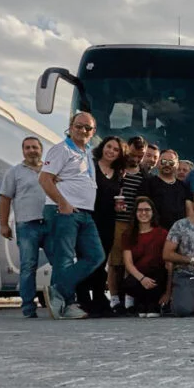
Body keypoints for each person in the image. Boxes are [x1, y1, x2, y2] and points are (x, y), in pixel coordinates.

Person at [38, 113, 107, 320]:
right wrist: (63, 203)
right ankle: (66, 305)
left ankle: (58, 290)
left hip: (84, 212)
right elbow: (45, 179)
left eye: (88, 128)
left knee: (96, 256)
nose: (83, 130)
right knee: (64, 259)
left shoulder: (88, 153)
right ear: (70, 127)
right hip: (64, 211)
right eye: (79, 126)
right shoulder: (61, 149)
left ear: (93, 132)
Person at [0, 135, 48, 318]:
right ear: (23, 151)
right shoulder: (14, 172)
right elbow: (5, 198)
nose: (31, 150)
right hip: (27, 225)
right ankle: (28, 307)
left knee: (60, 263)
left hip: (51, 224)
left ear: (41, 150)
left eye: (35, 147)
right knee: (28, 266)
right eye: (27, 147)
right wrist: (4, 224)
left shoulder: (50, 170)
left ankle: (61, 301)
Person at [77, 135, 123, 317]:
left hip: (108, 221)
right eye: (109, 147)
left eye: (116, 149)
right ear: (102, 147)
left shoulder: (118, 173)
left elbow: (117, 196)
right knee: (87, 258)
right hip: (89, 219)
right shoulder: (90, 166)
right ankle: (83, 299)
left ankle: (98, 298)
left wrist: (119, 206)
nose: (111, 151)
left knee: (102, 260)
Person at [108, 135, 148, 315]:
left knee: (133, 262)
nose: (136, 159)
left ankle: (129, 301)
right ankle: (115, 300)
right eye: (133, 155)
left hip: (135, 224)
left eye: (140, 156)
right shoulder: (116, 169)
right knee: (116, 262)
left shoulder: (144, 174)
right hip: (117, 222)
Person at [120, 196, 168, 317]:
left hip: (157, 275)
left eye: (147, 210)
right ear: (135, 213)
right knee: (127, 283)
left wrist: (168, 291)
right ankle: (141, 303)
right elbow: (128, 263)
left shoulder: (162, 233)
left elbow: (168, 261)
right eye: (140, 210)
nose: (143, 213)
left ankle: (153, 305)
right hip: (139, 275)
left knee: (156, 278)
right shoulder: (128, 234)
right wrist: (142, 279)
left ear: (153, 212)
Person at [144, 149, 190, 230]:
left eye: (171, 162)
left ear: (177, 165)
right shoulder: (148, 183)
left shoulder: (184, 187)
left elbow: (190, 213)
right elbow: (142, 210)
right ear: (158, 163)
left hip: (179, 233)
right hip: (154, 231)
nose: (167, 165)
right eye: (164, 161)